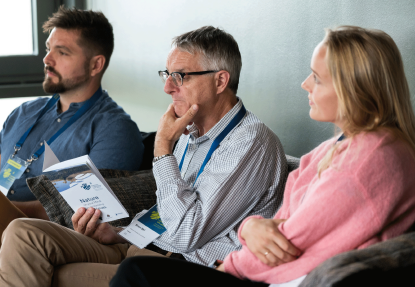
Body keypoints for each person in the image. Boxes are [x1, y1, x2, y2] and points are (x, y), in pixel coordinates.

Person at [108, 26, 415, 287]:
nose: (304, 84)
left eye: (317, 78)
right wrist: (250, 228)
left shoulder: (371, 158)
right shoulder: (334, 148)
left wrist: (229, 267)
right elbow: (284, 221)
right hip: (203, 255)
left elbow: (289, 243)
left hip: (256, 275)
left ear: (354, 87)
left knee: (134, 274)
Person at [0, 26, 287, 286]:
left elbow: (186, 234)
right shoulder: (192, 132)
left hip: (179, 267)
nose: (168, 87)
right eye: (167, 75)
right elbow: (166, 212)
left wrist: (162, 149)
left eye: (180, 76)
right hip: (143, 243)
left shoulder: (250, 143)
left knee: (13, 269)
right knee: (20, 234)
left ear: (221, 81)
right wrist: (119, 233)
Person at [0, 7, 144, 259]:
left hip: (42, 235)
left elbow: (89, 212)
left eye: (62, 52)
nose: (47, 59)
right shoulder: (23, 112)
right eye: (49, 48)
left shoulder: (115, 129)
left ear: (95, 65)